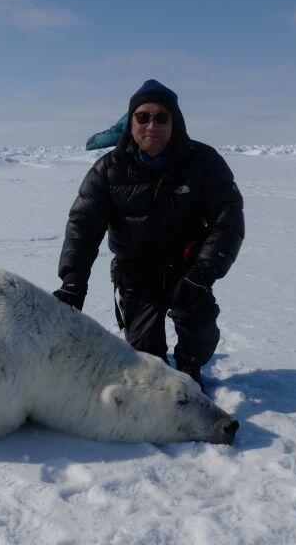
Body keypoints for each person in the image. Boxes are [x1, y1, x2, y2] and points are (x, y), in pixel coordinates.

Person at [53, 79, 244, 390]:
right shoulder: (108, 169)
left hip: (188, 269)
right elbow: (83, 224)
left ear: (174, 121)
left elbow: (229, 219)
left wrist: (204, 271)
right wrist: (73, 279)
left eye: (161, 117)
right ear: (131, 122)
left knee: (199, 326)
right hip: (136, 272)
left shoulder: (204, 163)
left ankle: (190, 365)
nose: (151, 125)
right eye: (143, 117)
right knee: (146, 357)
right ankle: (156, 365)